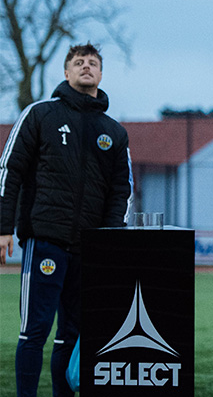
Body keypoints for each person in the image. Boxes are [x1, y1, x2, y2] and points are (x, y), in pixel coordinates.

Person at [0, 43, 133, 397]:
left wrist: (108, 240)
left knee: (71, 334)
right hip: (46, 240)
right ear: (66, 72)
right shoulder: (40, 115)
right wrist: (2, 228)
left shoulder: (114, 132)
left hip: (88, 248)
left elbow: (121, 190)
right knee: (35, 330)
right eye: (79, 62)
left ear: (101, 75)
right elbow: (10, 172)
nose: (86, 67)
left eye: (93, 63)